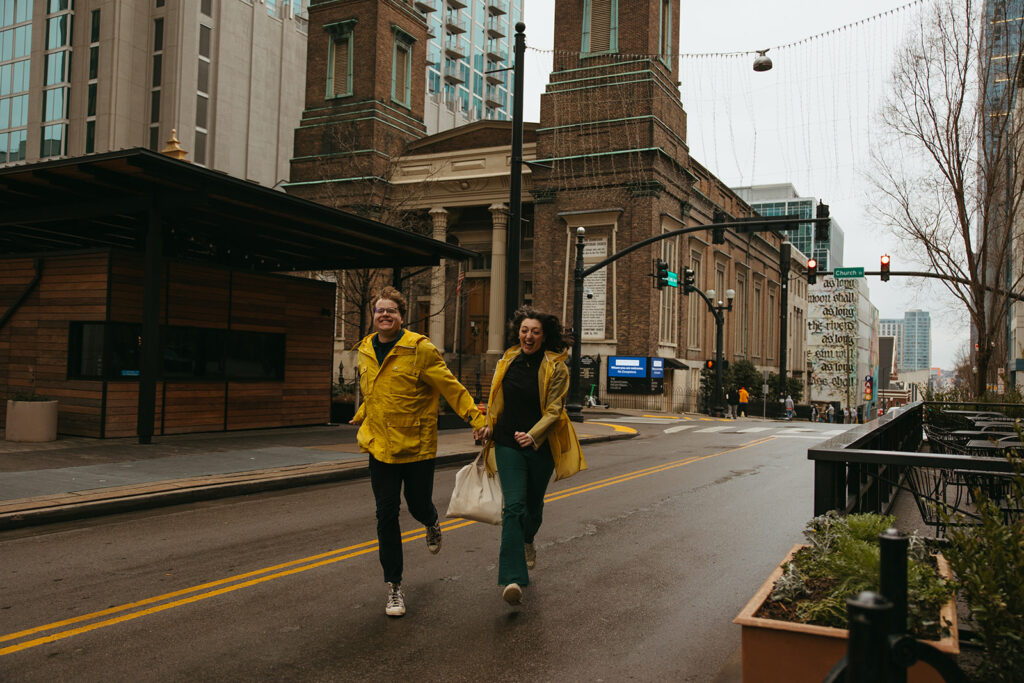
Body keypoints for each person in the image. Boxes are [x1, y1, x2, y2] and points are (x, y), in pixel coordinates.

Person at [351, 286, 487, 618]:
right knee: (386, 514)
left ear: (401, 316)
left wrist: (476, 418)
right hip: (379, 446)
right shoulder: (365, 349)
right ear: (374, 316)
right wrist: (361, 416)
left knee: (417, 505)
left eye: (391, 311)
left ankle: (430, 521)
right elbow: (374, 393)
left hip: (416, 447)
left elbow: (450, 387)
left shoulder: (419, 349)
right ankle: (394, 587)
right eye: (380, 310)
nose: (384, 315)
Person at [478, 307, 586, 606]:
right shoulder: (507, 361)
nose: (528, 336)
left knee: (533, 508)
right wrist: (488, 428)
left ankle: (528, 540)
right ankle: (513, 578)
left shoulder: (557, 368)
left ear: (544, 336)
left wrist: (533, 435)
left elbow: (554, 410)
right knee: (513, 507)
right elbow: (496, 401)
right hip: (507, 443)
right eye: (524, 330)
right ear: (518, 332)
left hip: (539, 447)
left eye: (535, 332)